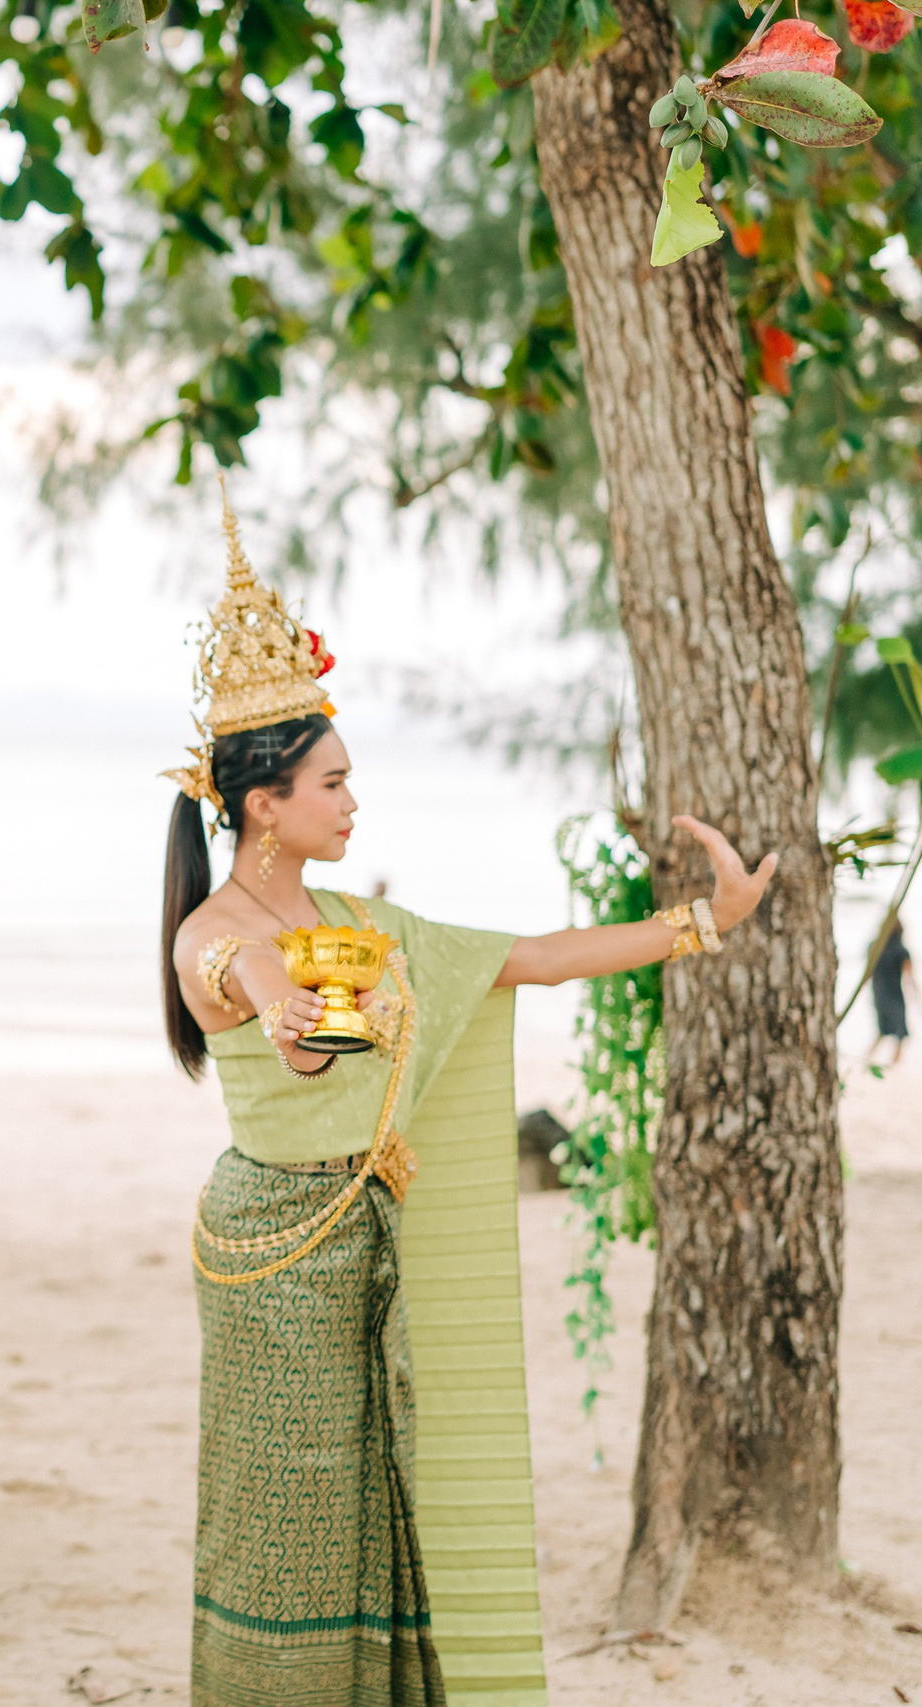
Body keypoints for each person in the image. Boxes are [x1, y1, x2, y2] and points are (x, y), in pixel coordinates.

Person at [161, 497, 775, 1707]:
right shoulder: (212, 935)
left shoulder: (360, 923)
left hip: (365, 1234)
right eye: (333, 784)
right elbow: (262, 992)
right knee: (283, 1511)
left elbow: (530, 958)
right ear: (264, 803)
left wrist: (703, 922)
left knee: (386, 1488)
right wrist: (292, 1022)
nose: (353, 803)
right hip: (271, 1250)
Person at [869, 912, 910, 1068]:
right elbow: (909, 975)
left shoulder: (874, 946)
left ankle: (868, 1056)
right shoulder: (901, 950)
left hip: (878, 993)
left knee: (882, 1029)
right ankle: (895, 1063)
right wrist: (917, 995)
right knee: (900, 1031)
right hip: (895, 994)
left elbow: (868, 972)